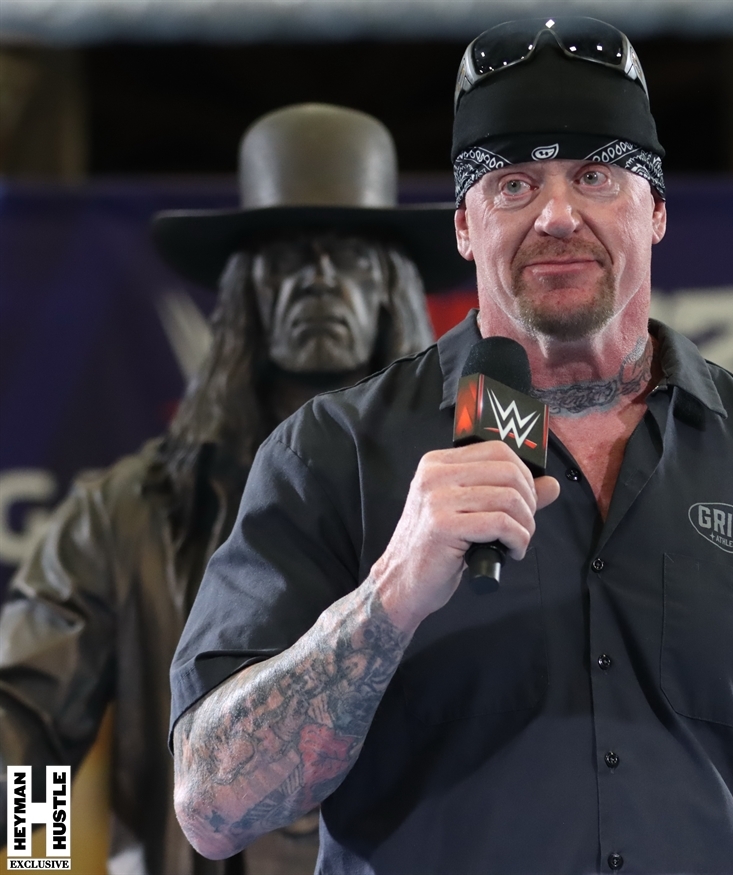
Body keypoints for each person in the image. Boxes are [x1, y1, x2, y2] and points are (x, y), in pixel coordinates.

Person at [170, 20, 733, 874]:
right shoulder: (331, 456)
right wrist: (391, 595)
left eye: (596, 175)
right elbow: (210, 806)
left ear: (658, 210)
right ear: (464, 226)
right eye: (514, 183)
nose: (558, 215)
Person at [0, 103, 467, 875]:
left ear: (393, 286)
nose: (319, 279)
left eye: (351, 256)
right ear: (244, 294)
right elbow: (27, 729)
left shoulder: (467, 499)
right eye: (287, 259)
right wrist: (31, 860)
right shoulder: (128, 514)